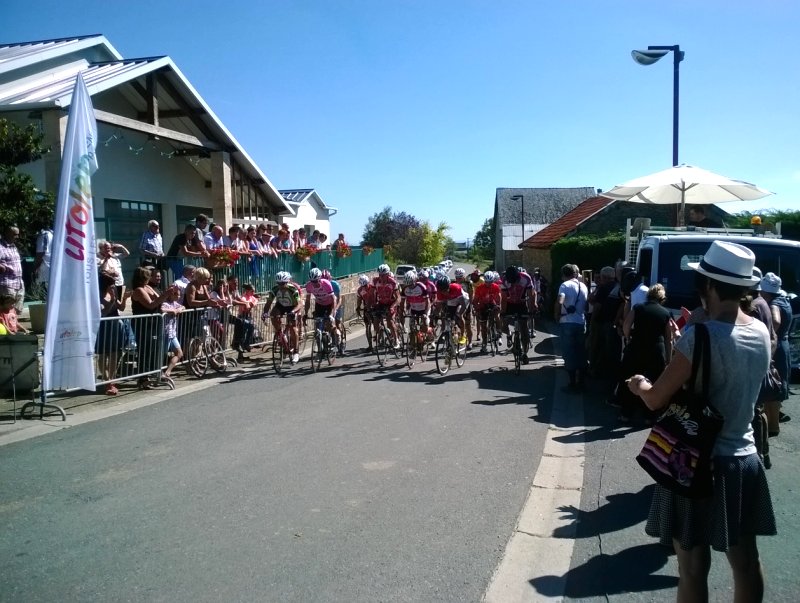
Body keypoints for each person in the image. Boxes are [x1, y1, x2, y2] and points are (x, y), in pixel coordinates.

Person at [627, 240, 775, 602]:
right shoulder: (760, 331)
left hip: (694, 462)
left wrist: (639, 384)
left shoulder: (699, 336)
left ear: (707, 285)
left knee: (692, 567)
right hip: (743, 459)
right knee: (746, 561)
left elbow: (656, 398)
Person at [616, 283, 675, 423]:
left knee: (630, 379)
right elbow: (669, 338)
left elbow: (626, 326)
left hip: (636, 347)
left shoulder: (638, 307)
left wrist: (628, 337)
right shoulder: (666, 313)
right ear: (662, 298)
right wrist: (668, 358)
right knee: (652, 381)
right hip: (656, 351)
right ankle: (649, 416)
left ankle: (626, 413)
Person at [130, 266, 175, 388]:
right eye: (148, 276)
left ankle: (155, 373)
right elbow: (150, 305)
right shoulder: (138, 290)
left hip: (155, 322)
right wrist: (165, 294)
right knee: (145, 350)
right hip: (144, 323)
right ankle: (143, 378)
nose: (150, 278)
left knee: (155, 349)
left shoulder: (148, 287)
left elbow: (158, 300)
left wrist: (168, 294)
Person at [759, 272, 792, 418]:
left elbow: (776, 321)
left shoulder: (774, 304)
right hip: (783, 344)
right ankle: (775, 416)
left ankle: (773, 419)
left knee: (773, 382)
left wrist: (768, 335)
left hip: (776, 347)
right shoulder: (784, 300)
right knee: (779, 381)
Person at [555, 263, 588, 392]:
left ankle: (572, 383)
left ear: (564, 274)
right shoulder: (583, 286)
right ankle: (582, 382)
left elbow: (560, 299)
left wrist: (557, 314)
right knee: (581, 352)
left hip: (567, 322)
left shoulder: (564, 285)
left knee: (569, 353)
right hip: (581, 322)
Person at [96, 273, 127, 395]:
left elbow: (121, 308)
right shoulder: (99, 295)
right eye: (111, 284)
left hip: (114, 324)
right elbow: (103, 313)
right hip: (103, 326)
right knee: (103, 354)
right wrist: (111, 300)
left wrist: (124, 298)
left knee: (115, 353)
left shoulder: (113, 293)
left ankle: (111, 380)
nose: (114, 286)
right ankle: (106, 380)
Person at [263, 271, 304, 364]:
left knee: (293, 328)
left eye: (283, 283)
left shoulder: (293, 289)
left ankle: (296, 352)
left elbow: (300, 303)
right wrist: (265, 313)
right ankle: (280, 333)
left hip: (292, 306)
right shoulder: (275, 289)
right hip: (281, 305)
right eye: (279, 283)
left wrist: (293, 312)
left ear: (287, 282)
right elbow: (268, 303)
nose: (281, 286)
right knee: (273, 314)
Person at [500, 266, 532, 363]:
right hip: (509, 304)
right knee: (503, 326)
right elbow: (504, 299)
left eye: (515, 281)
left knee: (524, 329)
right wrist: (503, 312)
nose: (513, 283)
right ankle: (509, 335)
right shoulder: (504, 280)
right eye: (511, 282)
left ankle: (525, 353)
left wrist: (531, 310)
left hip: (522, 304)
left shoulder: (526, 278)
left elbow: (531, 295)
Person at [304, 267, 340, 346]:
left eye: (315, 281)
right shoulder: (309, 286)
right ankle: (320, 346)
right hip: (319, 304)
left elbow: (333, 299)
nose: (314, 283)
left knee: (330, 323)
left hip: (329, 304)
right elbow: (307, 301)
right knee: (318, 326)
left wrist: (332, 314)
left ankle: (335, 336)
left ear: (320, 279)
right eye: (312, 281)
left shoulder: (326, 284)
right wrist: (305, 314)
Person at [434, 274, 468, 345]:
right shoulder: (439, 292)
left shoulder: (456, 287)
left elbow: (463, 305)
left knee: (459, 314)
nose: (444, 292)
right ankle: (450, 334)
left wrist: (458, 315)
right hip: (451, 300)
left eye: (445, 289)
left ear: (449, 286)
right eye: (442, 290)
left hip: (462, 299)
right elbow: (439, 306)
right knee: (448, 317)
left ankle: (463, 335)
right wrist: (436, 315)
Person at [372, 264, 400, 348]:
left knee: (390, 322)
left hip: (391, 303)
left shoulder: (393, 283)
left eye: (383, 275)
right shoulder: (375, 281)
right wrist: (373, 304)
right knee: (375, 320)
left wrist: (393, 306)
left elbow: (398, 298)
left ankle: (396, 340)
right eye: (380, 275)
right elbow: (372, 294)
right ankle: (379, 333)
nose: (381, 277)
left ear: (387, 274)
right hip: (381, 303)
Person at [473, 271, 502, 354]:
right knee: (484, 326)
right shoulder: (479, 288)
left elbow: (498, 297)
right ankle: (484, 343)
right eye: (487, 282)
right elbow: (475, 300)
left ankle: (499, 332)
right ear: (484, 281)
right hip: (483, 305)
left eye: (490, 282)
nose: (488, 284)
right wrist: (476, 309)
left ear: (493, 281)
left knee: (497, 316)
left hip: (492, 304)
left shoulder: (495, 286)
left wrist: (499, 306)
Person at [160, 285, 185, 379]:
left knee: (179, 353)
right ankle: (159, 372)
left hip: (172, 333)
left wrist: (179, 309)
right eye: (176, 295)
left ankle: (168, 372)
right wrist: (172, 311)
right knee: (162, 355)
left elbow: (183, 307)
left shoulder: (175, 303)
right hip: (165, 333)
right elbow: (162, 309)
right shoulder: (165, 303)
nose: (178, 297)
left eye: (179, 295)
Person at [0, 226, 24, 313]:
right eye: (14, 234)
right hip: (7, 284)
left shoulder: (13, 246)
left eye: (17, 234)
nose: (17, 237)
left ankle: (14, 322)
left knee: (17, 311)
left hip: (19, 283)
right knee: (6, 312)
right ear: (7, 234)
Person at [454, 268, 475, 350]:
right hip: (458, 303)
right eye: (457, 278)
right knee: (456, 321)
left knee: (468, 325)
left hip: (467, 303)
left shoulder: (469, 283)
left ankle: (470, 342)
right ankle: (457, 337)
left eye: (460, 278)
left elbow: (471, 295)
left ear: (464, 276)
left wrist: (471, 306)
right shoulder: (454, 283)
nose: (458, 279)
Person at [356, 274, 377, 352]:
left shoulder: (373, 287)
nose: (364, 287)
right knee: (367, 326)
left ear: (368, 282)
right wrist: (358, 308)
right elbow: (359, 300)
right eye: (362, 286)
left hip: (375, 306)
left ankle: (378, 340)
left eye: (365, 285)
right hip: (367, 308)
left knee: (376, 324)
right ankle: (370, 345)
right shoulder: (360, 290)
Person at [33, 227, 53, 293]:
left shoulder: (44, 235)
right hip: (53, 272)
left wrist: (35, 268)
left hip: (44, 273)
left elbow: (41, 253)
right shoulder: (55, 235)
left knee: (43, 295)